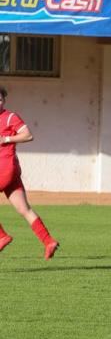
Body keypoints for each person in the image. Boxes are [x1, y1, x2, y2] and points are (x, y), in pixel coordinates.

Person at [0, 86, 59, 260]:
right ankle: (48, 241)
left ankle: (2, 236)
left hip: (4, 168)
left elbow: (28, 135)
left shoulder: (10, 117)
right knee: (24, 209)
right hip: (11, 172)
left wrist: (6, 139)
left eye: (1, 99)